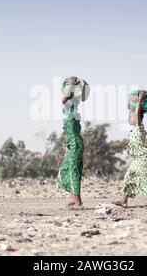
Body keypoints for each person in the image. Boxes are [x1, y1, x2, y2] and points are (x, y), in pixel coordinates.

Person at [114, 90, 147, 208]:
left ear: (137, 116)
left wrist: (140, 100)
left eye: (130, 116)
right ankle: (123, 201)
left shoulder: (139, 127)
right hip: (138, 158)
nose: (128, 118)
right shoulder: (134, 129)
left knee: (144, 176)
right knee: (129, 176)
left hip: (143, 157)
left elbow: (138, 112)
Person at [57, 76, 84, 209]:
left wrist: (72, 85)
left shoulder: (71, 106)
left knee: (73, 170)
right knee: (66, 170)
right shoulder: (72, 108)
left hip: (74, 143)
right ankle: (74, 199)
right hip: (73, 143)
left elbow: (64, 99)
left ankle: (78, 202)